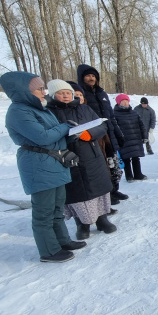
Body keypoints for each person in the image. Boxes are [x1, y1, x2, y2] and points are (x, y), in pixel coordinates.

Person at [2, 71, 85, 263]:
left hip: (55, 162)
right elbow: (42, 137)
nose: (43, 91)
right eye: (38, 89)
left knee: (57, 208)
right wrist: (65, 127)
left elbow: (54, 133)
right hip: (38, 165)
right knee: (43, 212)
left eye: (42, 88)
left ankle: (62, 242)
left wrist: (72, 132)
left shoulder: (41, 108)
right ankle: (49, 250)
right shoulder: (18, 111)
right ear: (24, 91)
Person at [45, 80, 116, 240]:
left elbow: (101, 125)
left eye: (68, 93)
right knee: (76, 193)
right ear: (53, 95)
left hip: (91, 154)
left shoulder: (84, 108)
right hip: (67, 157)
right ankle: (81, 225)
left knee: (98, 189)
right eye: (61, 93)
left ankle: (102, 220)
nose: (65, 96)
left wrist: (90, 134)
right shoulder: (49, 113)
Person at [76, 64, 128, 204]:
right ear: (82, 78)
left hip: (109, 133)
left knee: (114, 166)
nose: (91, 78)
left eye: (93, 76)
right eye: (88, 76)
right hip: (96, 137)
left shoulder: (102, 93)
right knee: (103, 168)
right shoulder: (81, 95)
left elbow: (111, 116)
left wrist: (118, 133)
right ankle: (107, 195)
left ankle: (114, 190)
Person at [68, 81, 118, 217]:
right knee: (81, 187)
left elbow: (102, 125)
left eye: (80, 95)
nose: (78, 97)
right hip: (74, 154)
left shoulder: (87, 110)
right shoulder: (58, 111)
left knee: (102, 178)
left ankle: (102, 214)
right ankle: (83, 222)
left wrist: (91, 134)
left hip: (96, 146)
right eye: (75, 94)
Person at [113, 94, 148, 181]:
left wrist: (144, 136)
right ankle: (129, 176)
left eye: (127, 101)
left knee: (136, 157)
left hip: (136, 138)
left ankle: (138, 174)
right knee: (126, 158)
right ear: (118, 103)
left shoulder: (134, 113)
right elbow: (114, 128)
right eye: (123, 101)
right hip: (124, 140)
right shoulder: (115, 114)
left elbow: (141, 125)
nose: (125, 103)